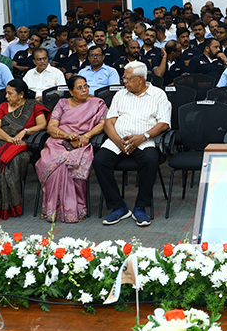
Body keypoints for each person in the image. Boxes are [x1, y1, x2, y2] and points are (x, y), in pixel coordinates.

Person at [94, 61, 171, 227]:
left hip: (144, 140)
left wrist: (143, 137)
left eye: (128, 78)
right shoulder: (120, 95)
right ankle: (118, 206)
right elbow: (109, 122)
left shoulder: (158, 95)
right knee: (100, 161)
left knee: (150, 160)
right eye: (124, 78)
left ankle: (140, 207)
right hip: (118, 140)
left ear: (140, 79)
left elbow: (164, 123)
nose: (124, 82)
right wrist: (117, 140)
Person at [34, 75, 108, 223]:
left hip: (81, 142)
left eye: (86, 86)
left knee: (72, 164)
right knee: (49, 162)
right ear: (70, 91)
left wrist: (87, 135)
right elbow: (51, 127)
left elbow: (103, 123)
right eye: (79, 88)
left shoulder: (97, 103)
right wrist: (66, 135)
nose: (84, 90)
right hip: (59, 140)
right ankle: (51, 208)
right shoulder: (62, 103)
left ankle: (75, 209)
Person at [0, 79, 49, 221]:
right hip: (0, 140)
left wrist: (25, 131)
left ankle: (10, 206)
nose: (6, 96)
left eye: (10, 93)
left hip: (22, 144)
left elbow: (42, 125)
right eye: (6, 93)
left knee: (11, 162)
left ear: (21, 94)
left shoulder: (33, 106)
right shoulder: (3, 106)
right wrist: (9, 139)